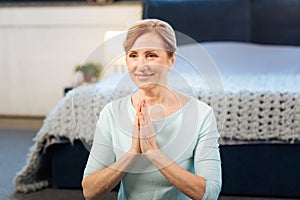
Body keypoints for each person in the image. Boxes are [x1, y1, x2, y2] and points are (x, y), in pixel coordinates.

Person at [82, 19, 221, 200]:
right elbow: (89, 191)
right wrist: (132, 153)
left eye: (151, 55)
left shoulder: (201, 114)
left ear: (171, 60)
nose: (141, 65)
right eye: (133, 55)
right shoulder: (112, 113)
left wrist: (153, 153)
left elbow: (209, 193)